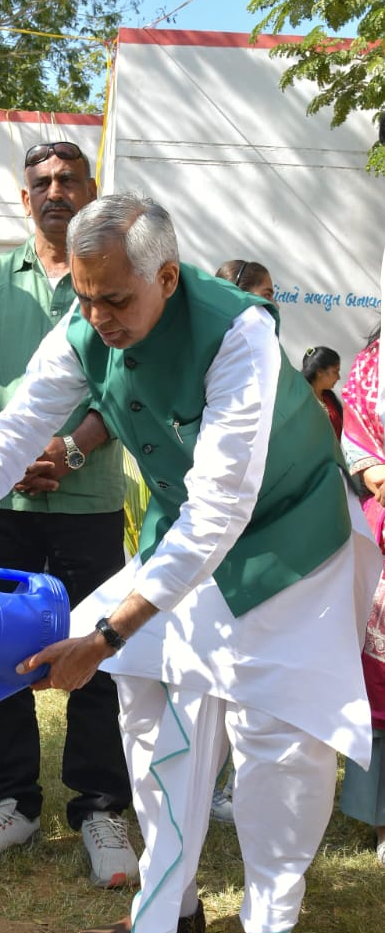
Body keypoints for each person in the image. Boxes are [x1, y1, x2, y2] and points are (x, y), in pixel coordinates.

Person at [0, 193, 379, 933]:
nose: (98, 316)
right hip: (182, 540)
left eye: (116, 299)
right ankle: (168, 908)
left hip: (287, 544)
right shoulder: (83, 331)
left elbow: (224, 507)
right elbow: (5, 443)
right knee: (145, 706)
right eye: (84, 296)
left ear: (168, 278)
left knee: (271, 743)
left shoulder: (238, 336)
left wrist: (107, 632)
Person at [0, 141, 135, 885]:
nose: (55, 191)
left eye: (69, 180)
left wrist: (72, 451)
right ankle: (12, 801)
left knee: (99, 648)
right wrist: (3, 448)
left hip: (88, 498)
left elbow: (127, 382)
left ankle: (99, 807)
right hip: (4, 504)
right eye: (41, 182)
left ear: (92, 192)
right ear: (24, 199)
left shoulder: (110, 277)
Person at [209, 257, 276, 825]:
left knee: (252, 678)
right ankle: (212, 784)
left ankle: (240, 788)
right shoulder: (221, 366)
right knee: (218, 677)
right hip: (218, 547)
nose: (270, 308)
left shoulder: (271, 363)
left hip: (268, 546)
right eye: (262, 296)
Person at [339, 325, 385, 860]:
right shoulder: (374, 363)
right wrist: (373, 471)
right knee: (381, 677)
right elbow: (357, 440)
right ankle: (380, 818)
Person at [302, 345, 342, 437]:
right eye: (335, 372)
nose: (339, 377)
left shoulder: (329, 399)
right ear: (319, 372)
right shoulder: (300, 401)